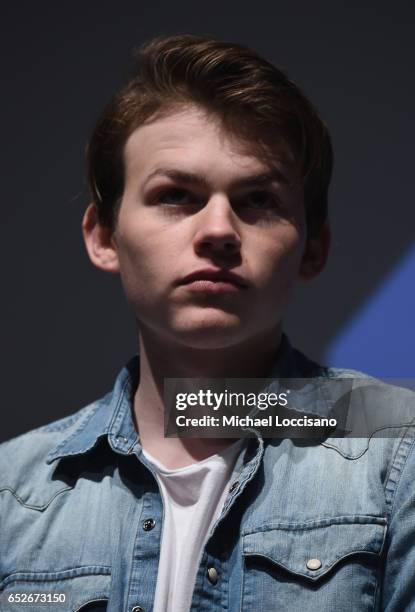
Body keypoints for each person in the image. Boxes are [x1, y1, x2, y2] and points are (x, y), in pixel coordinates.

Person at [0, 34, 414, 612]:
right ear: (103, 236)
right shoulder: (9, 495)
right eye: (175, 195)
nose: (218, 229)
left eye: (258, 200)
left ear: (313, 249)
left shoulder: (402, 453)